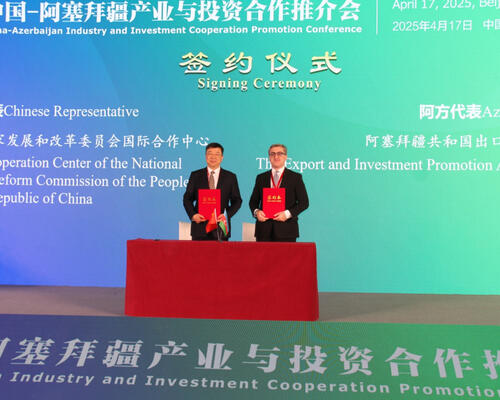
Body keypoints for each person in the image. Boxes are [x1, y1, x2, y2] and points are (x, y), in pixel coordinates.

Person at [249, 144, 309, 242]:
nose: (276, 156)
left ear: (286, 157)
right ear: (269, 157)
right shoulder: (261, 178)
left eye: (280, 153)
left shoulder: (295, 177)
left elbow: (304, 202)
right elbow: (253, 202)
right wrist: (257, 212)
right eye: (272, 154)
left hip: (287, 230)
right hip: (264, 231)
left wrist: (287, 214)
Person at [183, 143, 242, 240]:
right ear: (205, 156)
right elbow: (187, 198)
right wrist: (193, 215)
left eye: (217, 154)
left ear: (222, 157)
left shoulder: (230, 177)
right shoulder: (195, 175)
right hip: (200, 227)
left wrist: (226, 215)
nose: (213, 157)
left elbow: (237, 200)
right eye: (210, 153)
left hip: (221, 227)